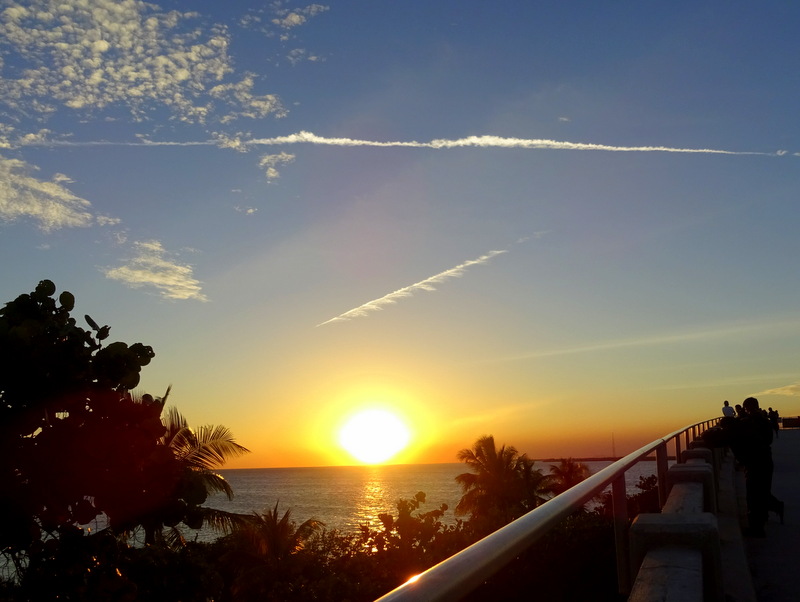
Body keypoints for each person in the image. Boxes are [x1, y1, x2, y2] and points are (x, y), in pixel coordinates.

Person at [733, 397, 783, 536]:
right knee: (763, 490)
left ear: (747, 408)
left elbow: (736, 435)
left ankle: (757, 528)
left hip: (754, 461)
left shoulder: (748, 422)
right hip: (766, 459)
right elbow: (769, 440)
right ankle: (766, 515)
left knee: (754, 494)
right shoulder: (765, 421)